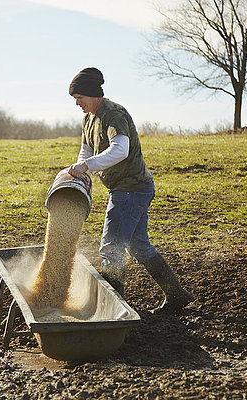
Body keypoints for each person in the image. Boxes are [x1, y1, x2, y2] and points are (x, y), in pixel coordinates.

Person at [66, 67, 193, 315]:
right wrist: (81, 169)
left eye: (79, 98)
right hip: (127, 189)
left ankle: (114, 313)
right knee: (139, 246)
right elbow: (87, 151)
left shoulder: (113, 115)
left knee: (110, 248)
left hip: (131, 189)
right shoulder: (89, 119)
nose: (77, 103)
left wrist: (88, 167)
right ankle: (176, 295)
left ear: (91, 93)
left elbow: (119, 150)